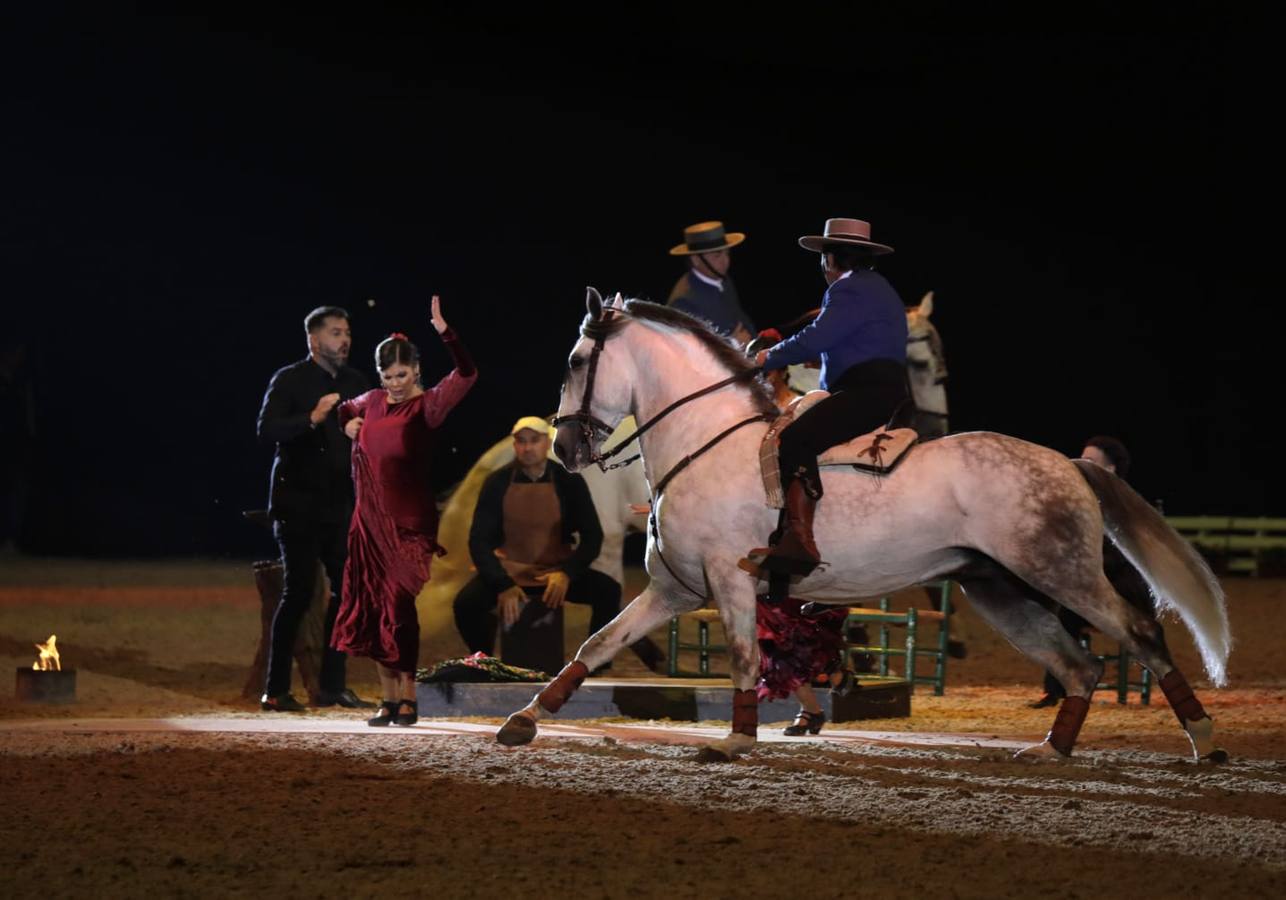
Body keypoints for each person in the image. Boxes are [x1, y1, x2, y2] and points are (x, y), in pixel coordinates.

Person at [332, 296, 477, 726]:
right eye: (387, 376)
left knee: (397, 607)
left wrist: (445, 332)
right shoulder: (372, 401)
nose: (394, 383)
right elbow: (346, 407)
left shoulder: (427, 406)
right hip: (368, 523)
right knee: (374, 607)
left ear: (415, 370)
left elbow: (467, 374)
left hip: (408, 524)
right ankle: (388, 697)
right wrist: (345, 423)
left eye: (402, 374)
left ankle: (410, 694)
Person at [750, 218, 910, 578]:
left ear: (831, 259)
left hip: (866, 391)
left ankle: (799, 541)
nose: (822, 265)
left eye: (823, 257)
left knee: (794, 439)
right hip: (885, 389)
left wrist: (767, 357)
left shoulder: (848, 290)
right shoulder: (878, 287)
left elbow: (817, 337)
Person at [257, 306, 374, 712]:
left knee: (346, 594)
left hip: (340, 506)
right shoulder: (290, 379)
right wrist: (312, 417)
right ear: (314, 339)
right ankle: (275, 690)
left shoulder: (357, 382)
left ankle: (332, 687)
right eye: (337, 333)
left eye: (348, 333)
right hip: (298, 505)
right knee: (299, 593)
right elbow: (267, 429)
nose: (345, 340)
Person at [746, 329, 862, 735]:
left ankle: (824, 683)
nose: (758, 379)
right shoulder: (756, 417)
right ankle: (818, 694)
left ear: (777, 374)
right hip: (772, 523)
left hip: (802, 519)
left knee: (782, 620)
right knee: (774, 622)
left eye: (764, 371)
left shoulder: (799, 409)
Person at [453, 416, 622, 670]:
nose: (528, 447)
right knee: (465, 604)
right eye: (521, 441)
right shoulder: (497, 482)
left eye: (534, 441)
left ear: (547, 444)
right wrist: (502, 584)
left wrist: (567, 573)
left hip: (553, 573)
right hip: (511, 571)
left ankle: (592, 663)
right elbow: (478, 540)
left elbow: (592, 536)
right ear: (515, 446)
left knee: (609, 591)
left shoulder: (569, 481)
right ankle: (484, 661)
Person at [1030, 434, 1148, 708]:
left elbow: (1123, 560)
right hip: (1089, 590)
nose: (1080, 464)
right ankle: (1058, 687)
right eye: (1081, 458)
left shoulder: (1123, 505)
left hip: (1121, 589)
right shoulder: (1080, 500)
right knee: (1054, 612)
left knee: (1062, 611)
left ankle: (1068, 682)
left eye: (1090, 460)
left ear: (1110, 469)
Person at [666, 221, 756, 343]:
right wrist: (733, 343)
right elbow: (691, 349)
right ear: (696, 259)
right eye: (717, 255)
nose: (726, 260)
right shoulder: (683, 302)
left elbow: (739, 316)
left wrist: (758, 342)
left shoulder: (723, 279)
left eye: (727, 253)